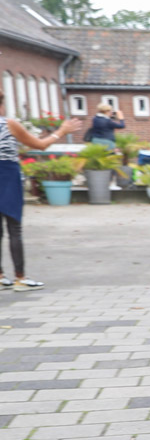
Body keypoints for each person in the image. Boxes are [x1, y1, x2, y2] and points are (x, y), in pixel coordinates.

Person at [0, 90, 83, 291]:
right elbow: (40, 145)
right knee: (14, 228)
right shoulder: (8, 124)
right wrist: (61, 131)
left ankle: (0, 276)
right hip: (6, 176)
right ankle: (20, 278)